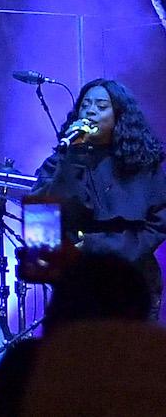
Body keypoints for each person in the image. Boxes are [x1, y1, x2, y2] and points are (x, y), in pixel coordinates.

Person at [32, 77, 166, 318]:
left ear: (119, 116)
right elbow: (43, 216)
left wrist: (98, 245)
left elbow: (157, 224)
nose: (91, 111)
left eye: (101, 106)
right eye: (86, 105)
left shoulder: (145, 164)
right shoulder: (61, 161)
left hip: (132, 279)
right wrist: (74, 157)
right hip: (78, 283)